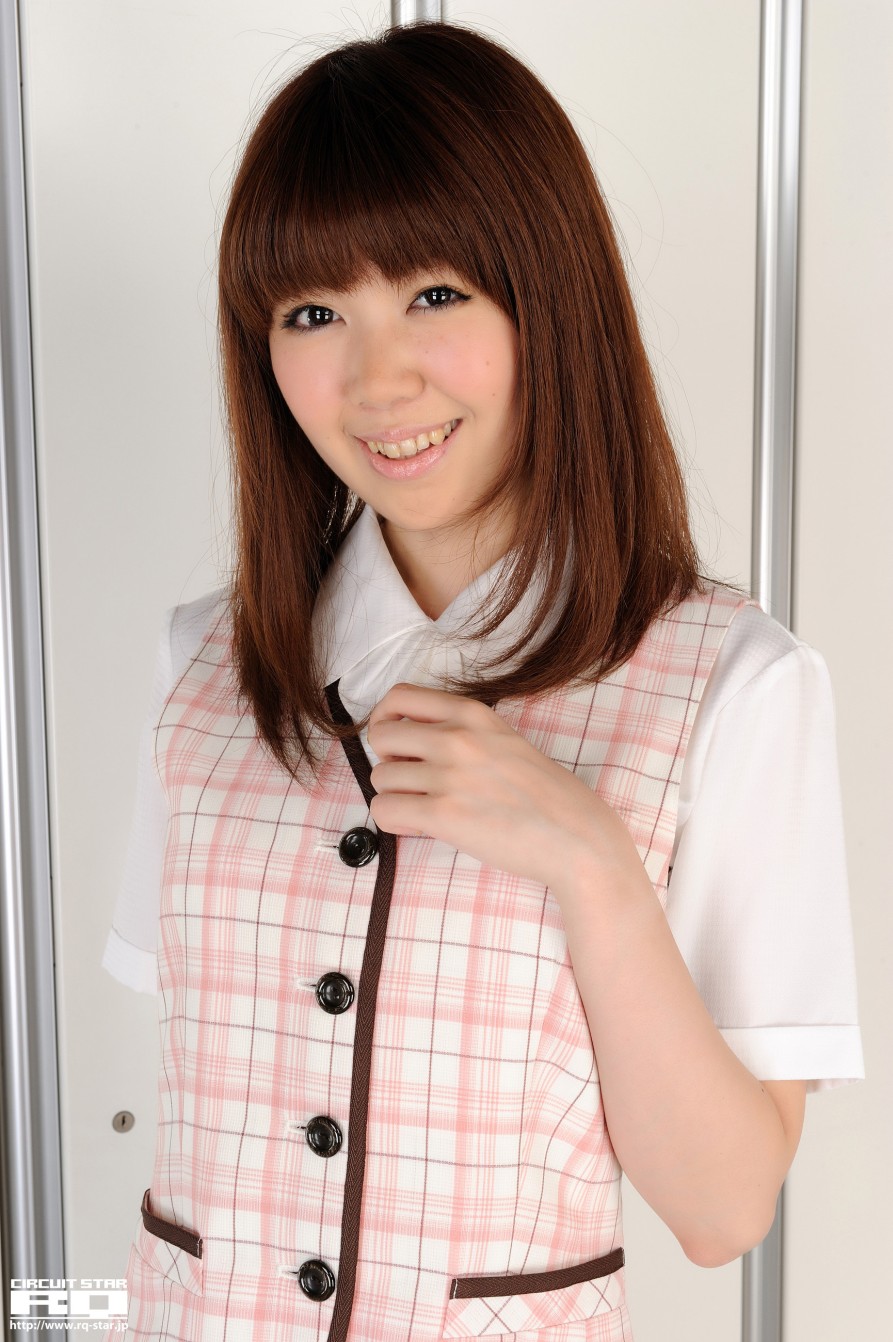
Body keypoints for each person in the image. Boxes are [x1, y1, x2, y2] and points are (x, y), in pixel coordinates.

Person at [101, 19, 863, 1342]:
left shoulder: (732, 685)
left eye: (436, 294)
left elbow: (722, 1208)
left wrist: (590, 860)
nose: (374, 379)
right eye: (312, 313)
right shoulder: (201, 667)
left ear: (546, 299)